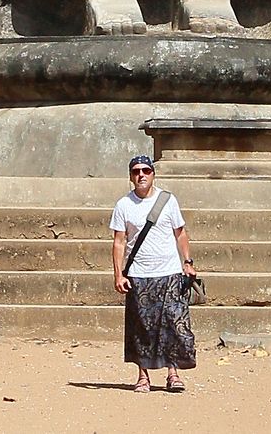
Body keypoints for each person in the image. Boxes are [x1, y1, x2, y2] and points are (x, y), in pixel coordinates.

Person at [111, 154, 197, 392]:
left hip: (169, 272)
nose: (141, 175)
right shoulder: (123, 205)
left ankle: (173, 374)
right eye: (136, 171)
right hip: (139, 274)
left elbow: (180, 232)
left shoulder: (168, 201)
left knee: (173, 324)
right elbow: (119, 242)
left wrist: (187, 262)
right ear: (130, 176)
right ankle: (143, 376)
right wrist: (119, 274)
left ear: (153, 174)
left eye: (146, 171)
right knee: (142, 328)